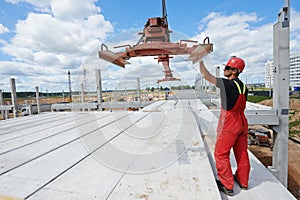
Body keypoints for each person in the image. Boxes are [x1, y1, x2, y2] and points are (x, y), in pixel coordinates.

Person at [199, 57, 250, 196]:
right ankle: (243, 181)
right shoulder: (244, 87)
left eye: (227, 68)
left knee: (221, 154)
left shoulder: (227, 84)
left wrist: (200, 60)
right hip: (242, 122)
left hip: (230, 123)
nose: (224, 70)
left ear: (235, 71)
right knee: (242, 153)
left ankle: (227, 185)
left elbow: (206, 76)